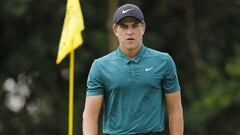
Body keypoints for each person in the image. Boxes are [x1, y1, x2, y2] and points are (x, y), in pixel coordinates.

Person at [83, 3, 184, 135]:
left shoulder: (164, 62)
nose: (129, 32)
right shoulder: (100, 66)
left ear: (143, 28)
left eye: (135, 26)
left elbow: (175, 110)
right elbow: (91, 114)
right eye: (124, 27)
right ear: (115, 30)